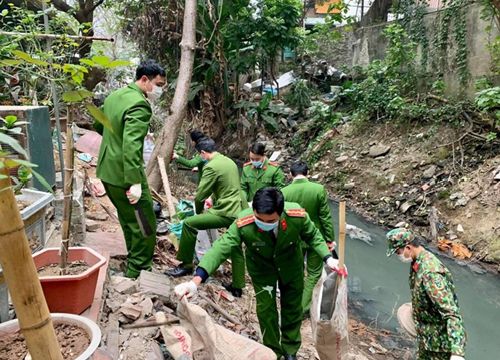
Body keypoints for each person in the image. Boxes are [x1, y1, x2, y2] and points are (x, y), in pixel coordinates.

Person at [174, 187, 346, 360]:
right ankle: (273, 352)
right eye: (258, 218)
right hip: (262, 270)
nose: (263, 223)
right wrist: (195, 281)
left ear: (281, 213)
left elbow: (313, 235)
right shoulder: (244, 222)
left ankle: (290, 350)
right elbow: (221, 248)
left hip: (290, 266)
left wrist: (328, 258)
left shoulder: (296, 215)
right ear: (254, 210)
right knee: (266, 312)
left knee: (293, 309)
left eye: (270, 220)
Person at [96, 59, 166, 278]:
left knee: (128, 218)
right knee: (145, 222)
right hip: (125, 175)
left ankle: (132, 261)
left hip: (107, 171)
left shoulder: (115, 96)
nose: (160, 90)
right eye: (159, 84)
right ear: (144, 79)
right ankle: (139, 269)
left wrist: (112, 144)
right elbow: (131, 146)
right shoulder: (139, 104)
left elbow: (99, 125)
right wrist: (135, 182)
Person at [165, 138, 247, 297]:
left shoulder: (211, 167)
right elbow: (228, 187)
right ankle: (237, 286)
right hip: (240, 210)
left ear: (202, 153)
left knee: (189, 224)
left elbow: (200, 196)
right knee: (235, 245)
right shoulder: (229, 161)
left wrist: (199, 211)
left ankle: (186, 265)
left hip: (225, 211)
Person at [386, 228, 466, 360]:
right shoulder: (417, 262)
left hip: (441, 346)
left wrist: (457, 353)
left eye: (398, 252)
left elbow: (452, 313)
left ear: (408, 247)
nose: (397, 255)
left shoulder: (431, 273)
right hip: (427, 339)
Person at [282, 161, 337, 316]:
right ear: (307, 173)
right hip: (315, 238)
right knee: (313, 274)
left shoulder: (284, 192)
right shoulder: (318, 189)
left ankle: (293, 303)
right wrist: (329, 239)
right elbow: (325, 217)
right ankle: (303, 308)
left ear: (290, 174)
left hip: (294, 238)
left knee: (297, 272)